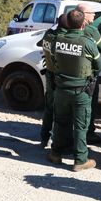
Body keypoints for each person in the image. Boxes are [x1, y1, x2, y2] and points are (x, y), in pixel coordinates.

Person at [47, 9, 101, 171]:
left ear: (68, 23)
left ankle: (55, 153)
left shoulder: (57, 41)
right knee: (80, 126)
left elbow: (53, 60)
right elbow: (98, 67)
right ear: (83, 23)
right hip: (80, 91)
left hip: (61, 89)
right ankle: (80, 160)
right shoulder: (88, 43)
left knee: (60, 122)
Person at [76, 3, 101, 145]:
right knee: (90, 105)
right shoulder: (92, 30)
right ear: (84, 14)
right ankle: (88, 133)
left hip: (72, 72)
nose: (94, 15)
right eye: (91, 13)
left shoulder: (69, 27)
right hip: (90, 73)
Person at [37, 13, 68, 148]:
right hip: (58, 76)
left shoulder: (49, 35)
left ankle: (44, 137)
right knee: (59, 110)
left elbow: (40, 43)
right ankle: (54, 139)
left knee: (49, 108)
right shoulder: (61, 38)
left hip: (49, 74)